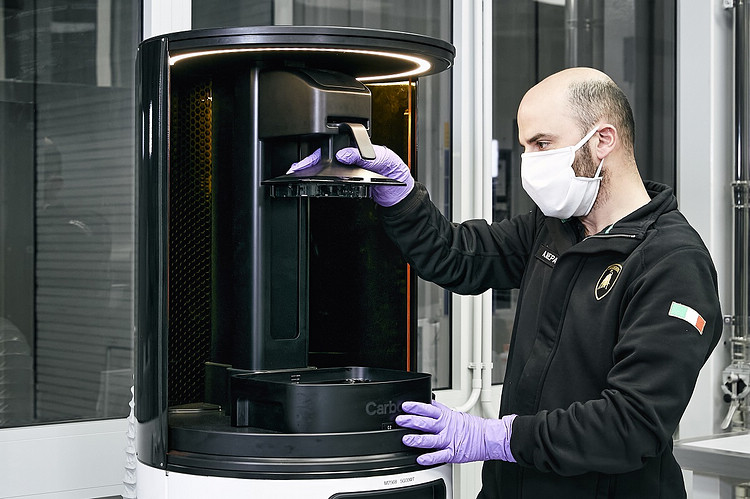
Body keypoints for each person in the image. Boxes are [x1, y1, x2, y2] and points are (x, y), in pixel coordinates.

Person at [288, 67, 722, 498]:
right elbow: (458, 256)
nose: (529, 162)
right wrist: (399, 191)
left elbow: (630, 426)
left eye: (542, 144)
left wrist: (496, 438)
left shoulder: (672, 264)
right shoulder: (554, 228)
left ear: (603, 140)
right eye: (525, 146)